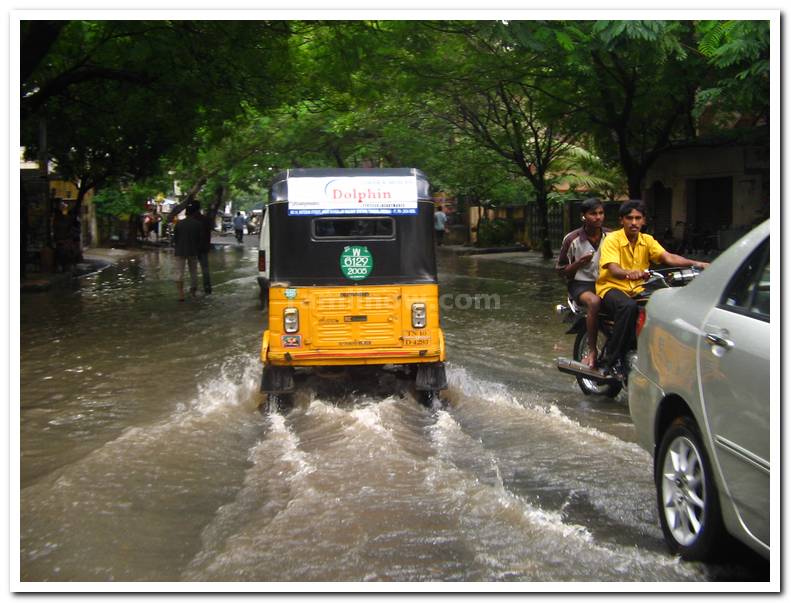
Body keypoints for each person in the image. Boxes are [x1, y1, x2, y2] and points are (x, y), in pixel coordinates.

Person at [596, 200, 709, 376]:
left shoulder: (647, 240)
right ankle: (612, 360)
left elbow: (669, 258)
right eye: (629, 218)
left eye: (638, 218)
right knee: (628, 307)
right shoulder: (612, 239)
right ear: (621, 220)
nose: (634, 222)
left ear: (644, 221)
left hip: (639, 288)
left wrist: (697, 263)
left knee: (663, 305)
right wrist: (628, 273)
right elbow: (613, 268)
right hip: (611, 287)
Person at [556, 198, 610, 368]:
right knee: (594, 302)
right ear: (583, 216)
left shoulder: (611, 236)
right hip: (581, 284)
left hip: (607, 282)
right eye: (593, 213)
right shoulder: (572, 239)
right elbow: (560, 270)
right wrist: (579, 263)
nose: (598, 217)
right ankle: (592, 349)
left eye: (601, 213)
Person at [174, 201, 204, 301]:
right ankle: (193, 292)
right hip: (193, 251)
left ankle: (180, 294)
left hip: (180, 251)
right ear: (194, 213)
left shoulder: (179, 224)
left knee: (179, 273)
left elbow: (175, 239)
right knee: (193, 272)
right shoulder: (198, 225)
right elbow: (200, 240)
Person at [196, 202, 213, 295]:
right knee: (205, 268)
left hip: (193, 248)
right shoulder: (206, 220)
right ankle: (207, 288)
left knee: (193, 268)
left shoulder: (191, 219)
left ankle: (194, 288)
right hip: (204, 247)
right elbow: (208, 234)